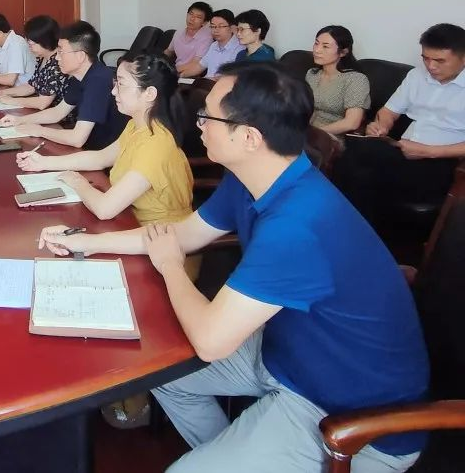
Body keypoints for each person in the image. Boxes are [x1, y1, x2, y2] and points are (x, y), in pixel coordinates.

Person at [38, 61, 428, 473]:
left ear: (249, 137)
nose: (198, 124)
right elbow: (181, 236)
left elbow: (210, 341)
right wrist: (85, 243)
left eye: (207, 116)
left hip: (348, 414)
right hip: (284, 354)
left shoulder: (298, 225)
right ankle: (227, 453)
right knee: (157, 374)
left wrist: (170, 267)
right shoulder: (253, 178)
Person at [17, 53, 193, 225]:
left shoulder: (156, 145)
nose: (114, 91)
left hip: (159, 234)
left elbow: (104, 209)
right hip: (129, 220)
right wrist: (43, 162)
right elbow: (100, 158)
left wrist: (78, 182)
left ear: (149, 93)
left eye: (121, 84)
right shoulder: (136, 126)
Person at [334, 23, 465, 229]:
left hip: (440, 163)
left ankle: (352, 231)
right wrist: (381, 125)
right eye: (425, 58)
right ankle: (354, 231)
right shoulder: (416, 76)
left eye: (440, 60)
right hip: (401, 150)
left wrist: (429, 151)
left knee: (358, 169)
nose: (431, 66)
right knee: (349, 152)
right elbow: (389, 111)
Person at [0, 20, 126, 150]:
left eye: (61, 52)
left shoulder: (98, 81)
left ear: (80, 56)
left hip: (102, 152)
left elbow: (77, 139)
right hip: (89, 146)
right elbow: (58, 112)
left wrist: (39, 130)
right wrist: (20, 120)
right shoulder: (80, 76)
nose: (57, 57)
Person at [0, 15, 69, 109]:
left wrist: (11, 101)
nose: (29, 48)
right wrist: (1, 93)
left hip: (56, 115)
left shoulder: (58, 63)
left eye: (31, 44)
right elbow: (31, 87)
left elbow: (42, 103)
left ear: (44, 41)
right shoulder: (42, 58)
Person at [305, 25, 370, 135]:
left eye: (325, 46)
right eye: (316, 43)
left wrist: (314, 134)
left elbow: (351, 123)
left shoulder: (356, 80)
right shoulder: (312, 74)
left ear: (343, 52)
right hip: (305, 131)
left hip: (333, 137)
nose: (317, 50)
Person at [180, 9, 242, 80]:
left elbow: (231, 77)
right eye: (213, 26)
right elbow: (200, 66)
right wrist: (181, 75)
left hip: (220, 85)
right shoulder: (214, 45)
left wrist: (204, 81)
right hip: (206, 83)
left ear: (231, 28)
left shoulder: (239, 48)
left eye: (221, 26)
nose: (216, 30)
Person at [165, 2, 214, 72]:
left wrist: (171, 71)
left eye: (198, 17)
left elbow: (195, 63)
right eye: (191, 14)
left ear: (204, 22)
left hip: (191, 73)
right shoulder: (179, 32)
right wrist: (157, 62)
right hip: (175, 70)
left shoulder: (206, 37)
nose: (192, 19)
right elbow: (169, 51)